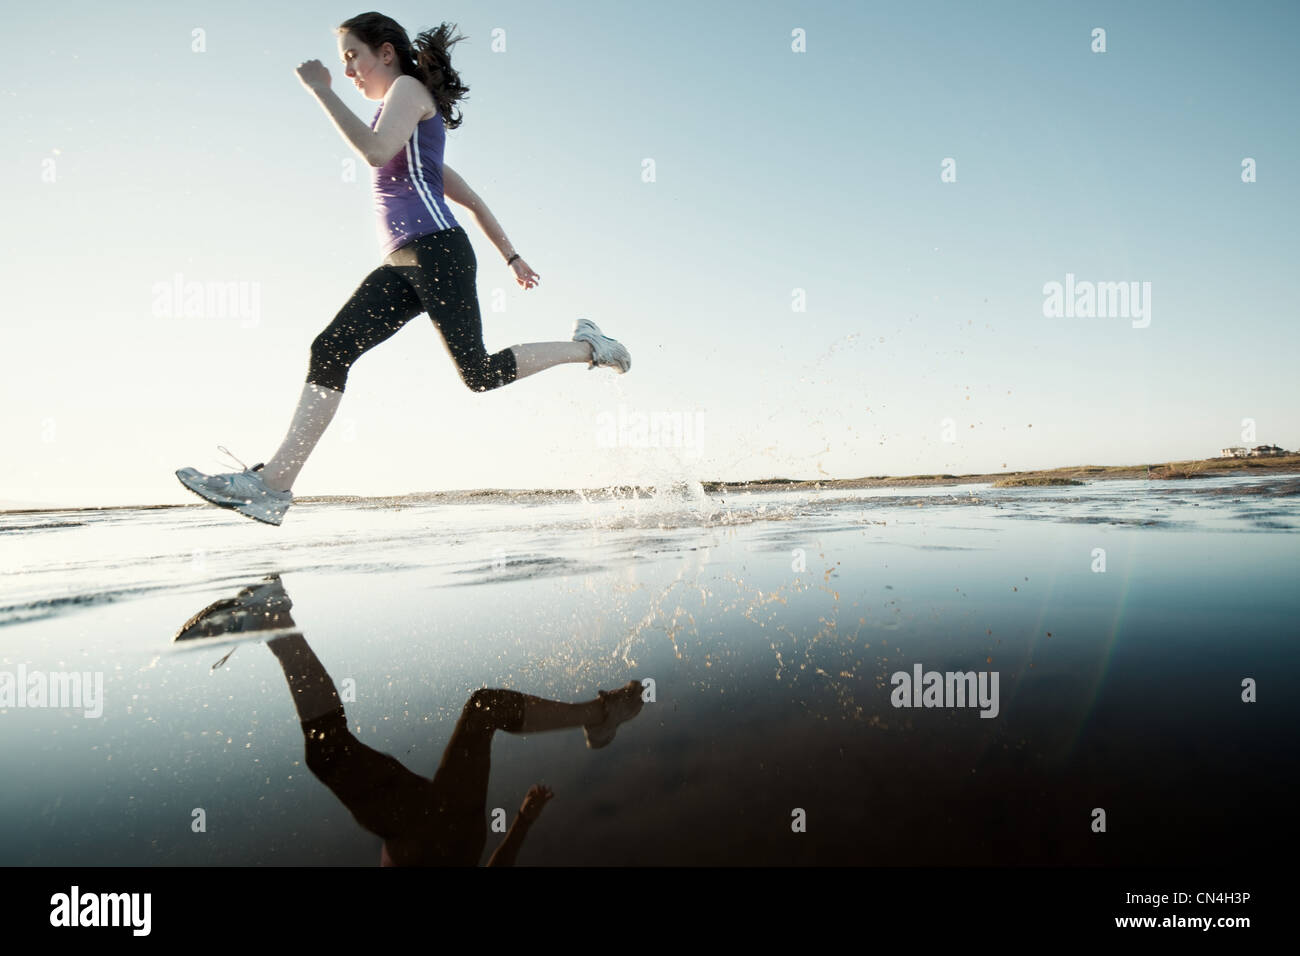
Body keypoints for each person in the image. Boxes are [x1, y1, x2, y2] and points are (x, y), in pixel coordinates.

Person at [176, 15, 630, 526]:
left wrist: (320, 91)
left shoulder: (410, 91)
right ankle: (273, 486)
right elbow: (472, 198)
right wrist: (512, 257)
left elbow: (376, 154)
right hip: (402, 261)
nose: (347, 69)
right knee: (330, 348)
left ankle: (591, 347)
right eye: (343, 60)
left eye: (353, 55)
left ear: (385, 53)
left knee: (477, 374)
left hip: (437, 252)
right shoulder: (412, 128)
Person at [174, 574, 646, 865]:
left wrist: (523, 821)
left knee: (479, 710)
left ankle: (602, 713)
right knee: (331, 751)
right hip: (435, 844)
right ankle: (276, 623)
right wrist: (521, 821)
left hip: (441, 839)